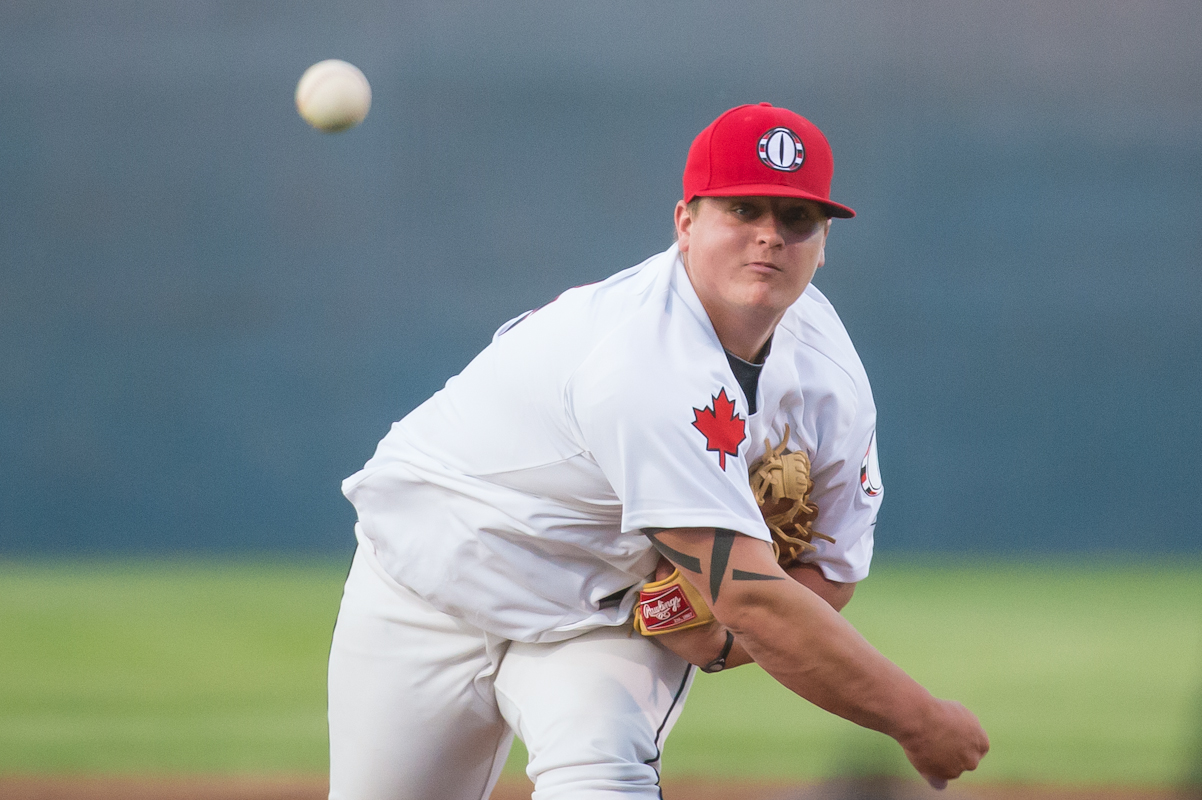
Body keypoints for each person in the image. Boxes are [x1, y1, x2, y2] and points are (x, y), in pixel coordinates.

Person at [327, 103, 988, 800]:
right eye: (743, 209)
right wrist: (919, 720)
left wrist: (725, 640)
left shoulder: (829, 381)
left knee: (603, 785)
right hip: (431, 580)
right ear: (685, 223)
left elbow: (830, 566)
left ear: (824, 243)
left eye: (797, 220)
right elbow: (754, 599)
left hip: (605, 615)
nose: (770, 237)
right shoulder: (638, 359)